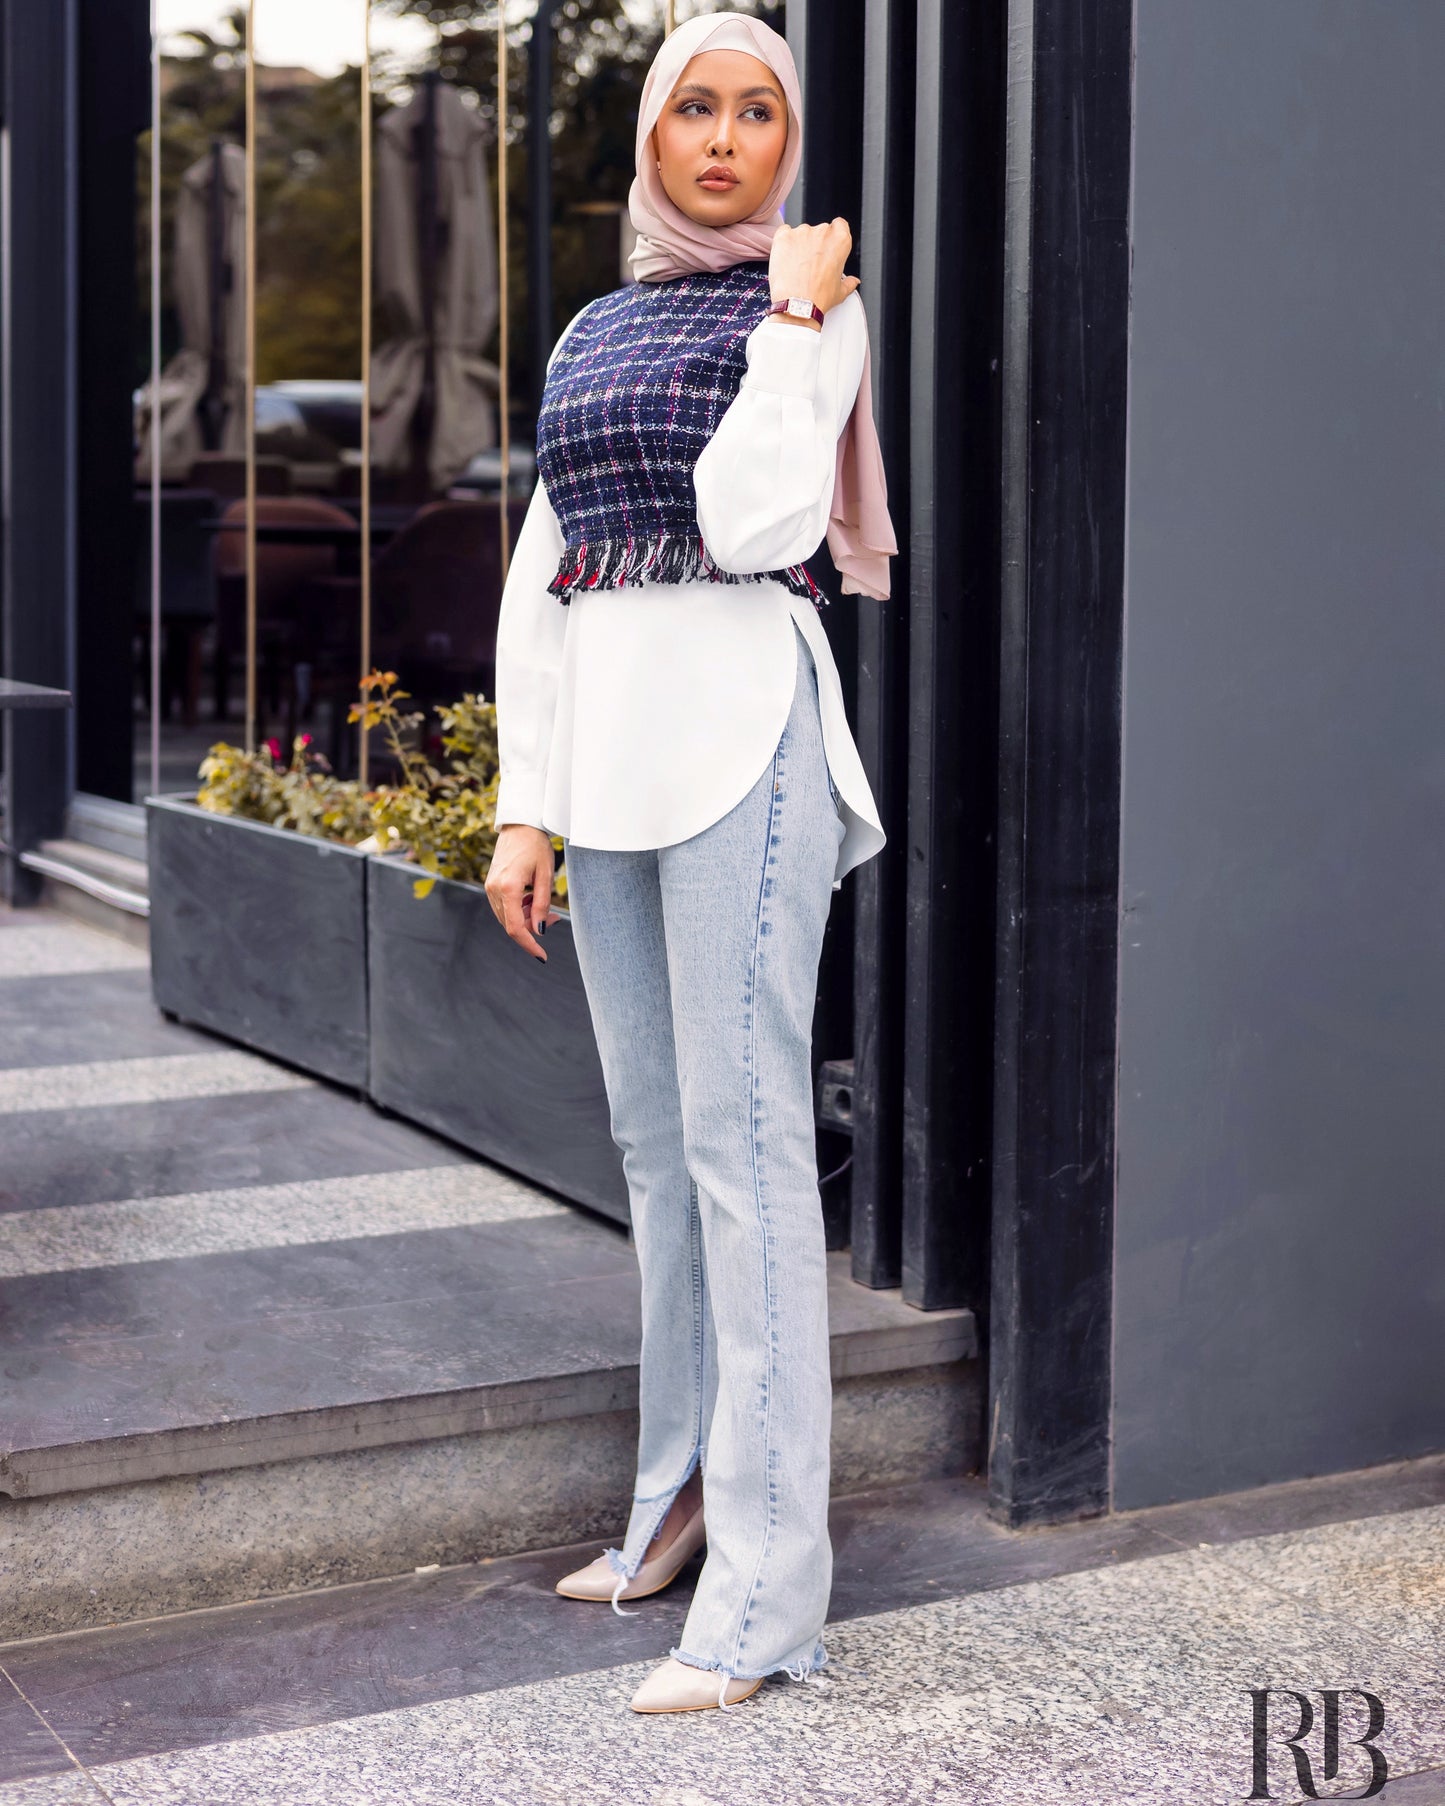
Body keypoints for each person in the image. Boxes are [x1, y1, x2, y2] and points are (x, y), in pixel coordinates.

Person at [484, 10, 897, 1716]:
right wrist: (527, 797)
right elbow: (548, 561)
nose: (725, 140)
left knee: (743, 1160)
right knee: (658, 1154)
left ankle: (770, 1586)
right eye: (694, 111)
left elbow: (753, 528)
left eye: (758, 113)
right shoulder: (592, 326)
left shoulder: (810, 314)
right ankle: (672, 1503)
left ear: (786, 149)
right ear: (648, 136)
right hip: (617, 758)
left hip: (747, 744)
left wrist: (797, 317)